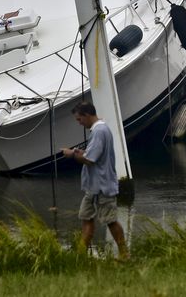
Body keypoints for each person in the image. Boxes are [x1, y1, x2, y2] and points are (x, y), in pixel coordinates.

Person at [62, 102, 128, 259]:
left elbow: (90, 160)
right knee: (86, 218)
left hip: (102, 186)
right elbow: (93, 154)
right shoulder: (100, 130)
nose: (79, 123)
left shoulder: (99, 131)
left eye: (79, 119)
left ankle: (124, 254)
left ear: (86, 115)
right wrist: (76, 151)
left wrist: (71, 155)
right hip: (93, 187)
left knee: (110, 221)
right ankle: (80, 255)